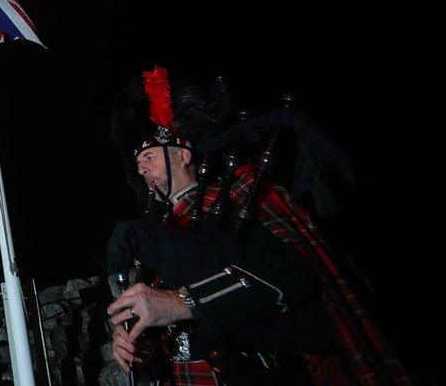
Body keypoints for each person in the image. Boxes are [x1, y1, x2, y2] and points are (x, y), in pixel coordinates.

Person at [104, 66, 409, 385]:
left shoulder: (239, 194)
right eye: (138, 164)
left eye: (149, 157)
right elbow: (172, 334)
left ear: (183, 155)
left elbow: (293, 274)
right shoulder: (155, 233)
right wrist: (146, 349)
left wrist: (182, 301)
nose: (141, 169)